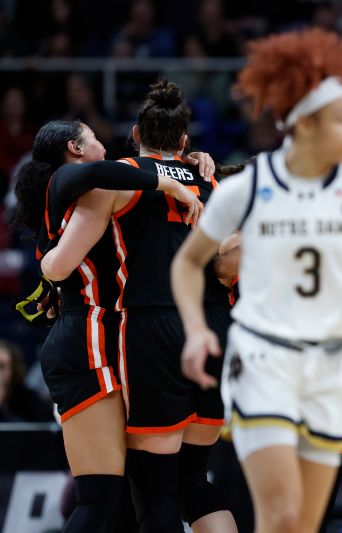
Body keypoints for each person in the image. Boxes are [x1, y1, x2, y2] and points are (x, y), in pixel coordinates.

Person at [170, 28, 342, 533]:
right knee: (278, 516)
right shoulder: (249, 186)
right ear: (304, 124)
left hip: (331, 362)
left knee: (304, 521)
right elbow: (189, 262)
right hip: (263, 356)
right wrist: (195, 330)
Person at [41, 81, 235, 533]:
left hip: (147, 326)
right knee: (193, 479)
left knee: (155, 488)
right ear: (184, 140)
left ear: (133, 133)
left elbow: (59, 264)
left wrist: (46, 271)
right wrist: (192, 173)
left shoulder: (111, 178)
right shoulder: (210, 179)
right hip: (214, 324)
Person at [12, 118, 204, 533]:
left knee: (122, 499)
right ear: (75, 149)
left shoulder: (85, 191)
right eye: (94, 139)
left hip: (100, 334)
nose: (105, 146)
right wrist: (170, 182)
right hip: (86, 334)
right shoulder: (69, 179)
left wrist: (191, 163)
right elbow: (109, 171)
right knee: (99, 500)